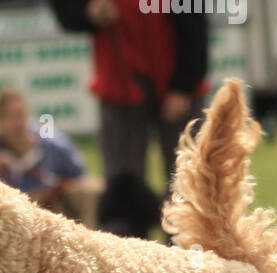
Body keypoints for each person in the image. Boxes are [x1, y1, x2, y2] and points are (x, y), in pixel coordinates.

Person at [48, 0, 207, 237]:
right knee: (121, 189)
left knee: (189, 182)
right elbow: (66, 10)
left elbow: (193, 13)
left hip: (176, 67)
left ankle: (189, 253)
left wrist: (184, 85)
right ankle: (126, 254)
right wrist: (87, 12)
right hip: (119, 78)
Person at [0, 87, 100, 228]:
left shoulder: (52, 144)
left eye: (20, 115)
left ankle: (91, 236)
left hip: (58, 212)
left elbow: (82, 177)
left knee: (91, 189)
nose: (17, 123)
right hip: (14, 222)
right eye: (10, 117)